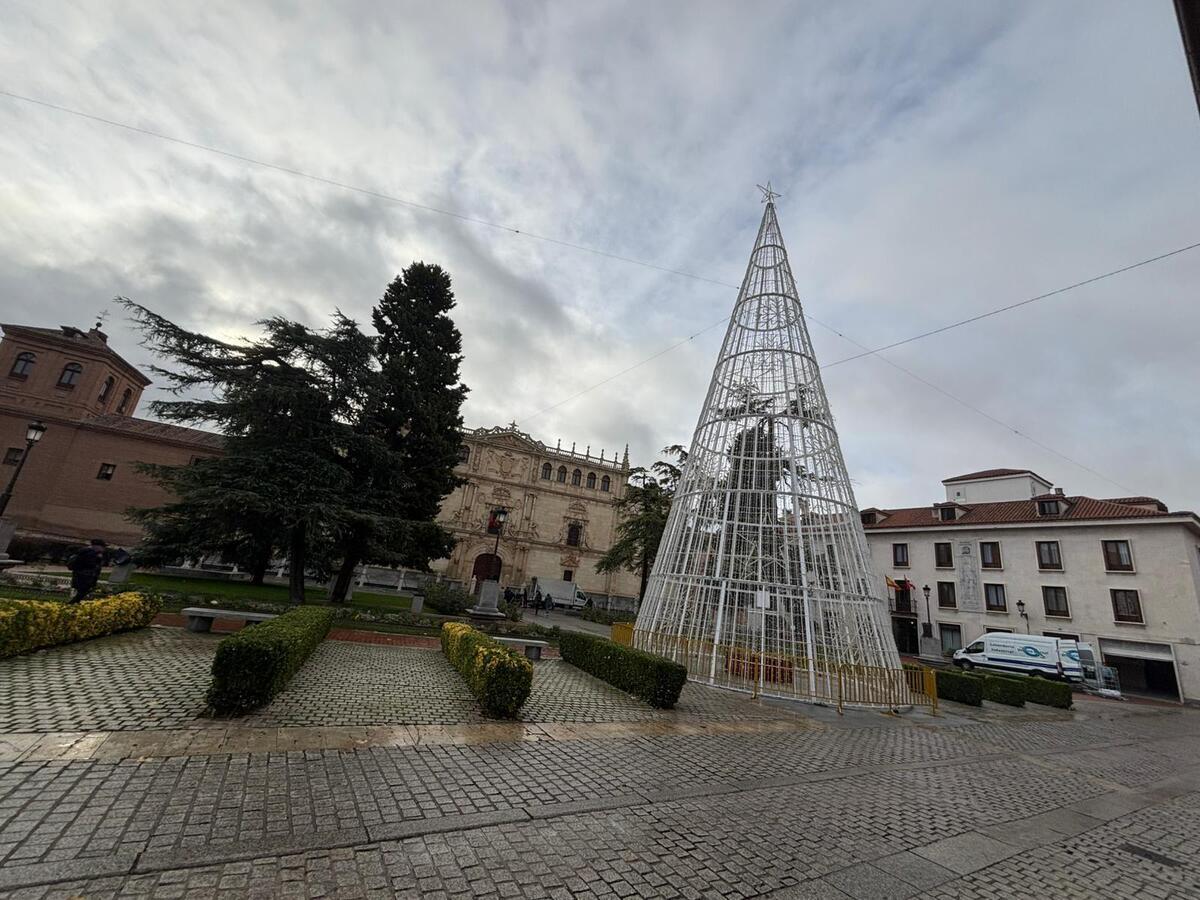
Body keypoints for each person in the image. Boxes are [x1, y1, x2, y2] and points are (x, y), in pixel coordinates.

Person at [67, 538, 107, 603]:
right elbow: (91, 565)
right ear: (97, 546)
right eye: (102, 547)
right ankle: (71, 604)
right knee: (81, 593)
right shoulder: (90, 553)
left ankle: (72, 604)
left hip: (80, 576)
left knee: (80, 593)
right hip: (84, 577)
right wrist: (98, 559)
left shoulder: (86, 552)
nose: (103, 549)